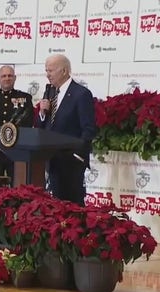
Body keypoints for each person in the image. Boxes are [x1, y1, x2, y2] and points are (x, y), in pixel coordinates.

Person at [37, 54, 97, 205]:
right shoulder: (50, 93)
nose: (47, 75)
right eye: (46, 70)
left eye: (50, 70)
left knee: (72, 206)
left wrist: (79, 155)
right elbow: (43, 126)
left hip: (72, 162)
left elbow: (88, 128)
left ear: (63, 71)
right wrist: (42, 113)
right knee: (56, 205)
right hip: (52, 159)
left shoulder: (81, 94)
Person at [0, 65, 35, 181]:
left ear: (15, 78)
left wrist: (11, 142)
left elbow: (28, 123)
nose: (7, 78)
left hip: (17, 152)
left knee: (19, 188)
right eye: (4, 76)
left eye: (10, 76)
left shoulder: (25, 98)